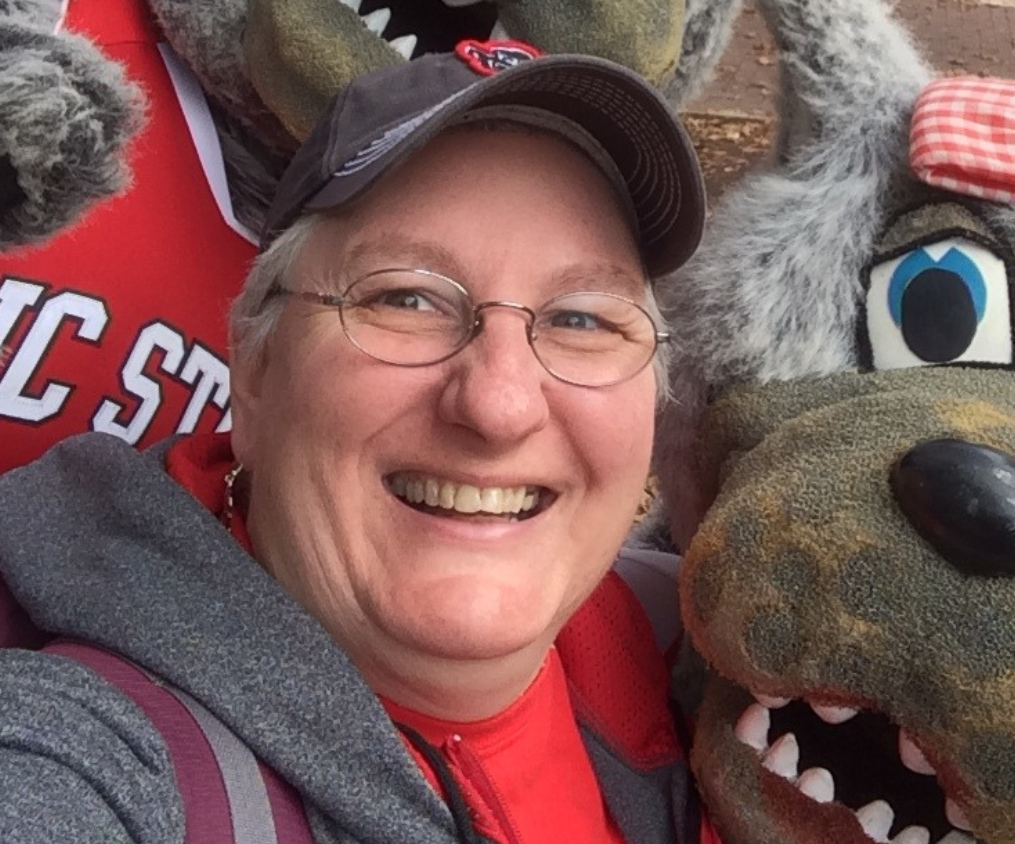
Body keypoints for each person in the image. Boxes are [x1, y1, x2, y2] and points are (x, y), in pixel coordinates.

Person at [0, 39, 713, 844]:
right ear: (257, 368)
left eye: (583, 318)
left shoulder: (698, 665)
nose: (499, 404)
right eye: (406, 299)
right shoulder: (87, 762)